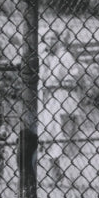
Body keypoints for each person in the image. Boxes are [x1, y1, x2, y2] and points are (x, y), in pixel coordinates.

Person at [39, 30, 83, 184]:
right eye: (47, 38)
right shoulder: (43, 56)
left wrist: (58, 83)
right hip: (46, 100)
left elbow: (74, 76)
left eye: (53, 38)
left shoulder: (65, 56)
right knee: (47, 134)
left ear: (58, 40)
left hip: (61, 99)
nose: (50, 41)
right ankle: (55, 170)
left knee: (60, 134)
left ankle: (59, 172)